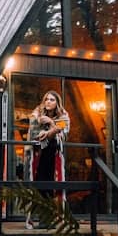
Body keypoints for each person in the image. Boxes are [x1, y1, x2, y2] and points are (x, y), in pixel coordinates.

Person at [25, 90, 70, 228]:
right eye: (46, 99)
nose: (48, 102)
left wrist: (50, 124)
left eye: (52, 100)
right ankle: (37, 218)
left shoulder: (63, 115)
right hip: (38, 155)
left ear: (57, 103)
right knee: (37, 186)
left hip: (53, 156)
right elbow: (34, 133)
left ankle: (51, 219)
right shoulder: (36, 113)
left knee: (52, 186)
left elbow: (64, 129)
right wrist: (52, 130)